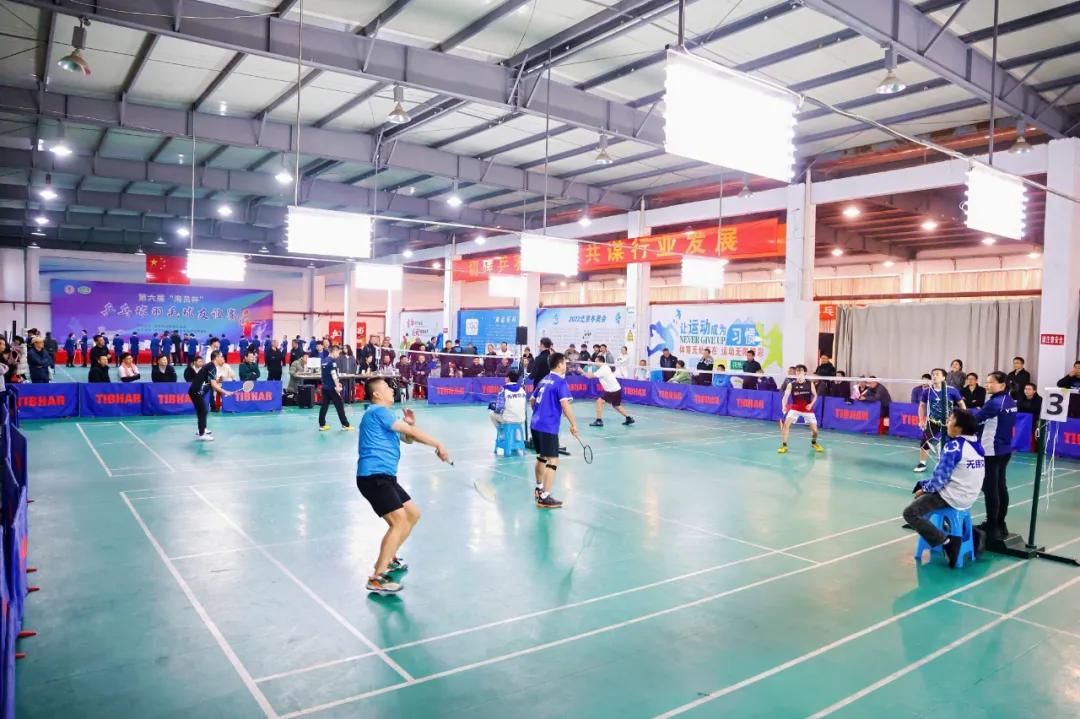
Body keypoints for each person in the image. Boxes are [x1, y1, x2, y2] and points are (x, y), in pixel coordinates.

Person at [356, 377, 450, 595]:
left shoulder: (385, 415)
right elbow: (413, 435)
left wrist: (410, 425)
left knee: (412, 514)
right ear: (377, 394)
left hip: (386, 476)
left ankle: (389, 558)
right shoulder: (378, 411)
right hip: (373, 476)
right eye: (387, 388)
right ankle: (377, 577)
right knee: (398, 521)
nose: (392, 390)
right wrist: (438, 444)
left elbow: (408, 438)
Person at [902, 409, 985, 568]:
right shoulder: (977, 445)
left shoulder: (954, 446)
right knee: (926, 494)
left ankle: (947, 542)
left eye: (951, 420)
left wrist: (924, 489)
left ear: (959, 428)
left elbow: (939, 480)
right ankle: (972, 534)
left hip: (952, 497)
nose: (947, 422)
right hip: (970, 497)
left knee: (910, 512)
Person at [529, 353, 579, 509]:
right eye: (565, 363)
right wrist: (573, 424)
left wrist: (540, 411)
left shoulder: (544, 380)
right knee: (553, 461)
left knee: (542, 457)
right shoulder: (560, 382)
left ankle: (539, 488)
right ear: (559, 365)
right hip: (548, 426)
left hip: (535, 424)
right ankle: (545, 497)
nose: (566, 365)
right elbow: (565, 405)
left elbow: (532, 400)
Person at [972, 371, 1017, 539]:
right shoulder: (1010, 400)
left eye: (990, 382)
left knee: (990, 488)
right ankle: (1000, 523)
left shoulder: (994, 403)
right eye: (986, 381)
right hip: (1005, 450)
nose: (987, 385)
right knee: (1000, 486)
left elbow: (975, 421)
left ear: (1002, 385)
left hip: (991, 450)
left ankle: (992, 526)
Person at [915, 368, 966, 473]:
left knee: (952, 443)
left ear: (943, 377)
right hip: (933, 421)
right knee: (925, 441)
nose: (934, 376)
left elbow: (961, 403)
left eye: (937, 374)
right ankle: (922, 463)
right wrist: (921, 420)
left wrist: (962, 417)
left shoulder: (952, 390)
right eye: (933, 374)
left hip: (949, 423)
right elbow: (922, 406)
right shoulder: (927, 391)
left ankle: (951, 463)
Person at [778, 364, 823, 454]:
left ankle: (814, 443)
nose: (799, 373)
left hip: (807, 409)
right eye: (797, 371)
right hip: (795, 408)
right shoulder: (791, 384)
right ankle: (784, 445)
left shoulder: (810, 383)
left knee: (815, 432)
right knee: (786, 425)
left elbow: (815, 395)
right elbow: (785, 397)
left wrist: (811, 404)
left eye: (801, 371)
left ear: (805, 373)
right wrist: (783, 406)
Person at [189, 351, 233, 441]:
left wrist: (218, 380)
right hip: (196, 391)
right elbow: (213, 385)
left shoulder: (210, 366)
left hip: (196, 391)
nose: (223, 359)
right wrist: (225, 392)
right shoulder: (211, 367)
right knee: (203, 411)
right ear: (216, 358)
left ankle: (202, 429)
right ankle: (202, 434)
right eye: (221, 357)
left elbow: (210, 381)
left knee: (202, 411)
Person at [586, 361, 634, 428]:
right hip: (617, 389)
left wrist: (581, 370)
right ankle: (629, 418)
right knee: (616, 405)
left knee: (599, 401)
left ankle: (599, 421)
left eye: (596, 361)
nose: (595, 363)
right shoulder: (605, 367)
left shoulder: (602, 370)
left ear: (601, 362)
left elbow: (589, 376)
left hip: (611, 390)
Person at [317, 345, 353, 432]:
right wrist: (337, 386)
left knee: (324, 406)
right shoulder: (332, 362)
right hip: (332, 388)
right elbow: (334, 375)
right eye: (338, 352)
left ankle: (322, 425)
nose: (339, 355)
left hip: (325, 387)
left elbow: (325, 375)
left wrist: (336, 383)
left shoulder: (324, 361)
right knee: (340, 405)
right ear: (334, 351)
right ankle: (345, 425)